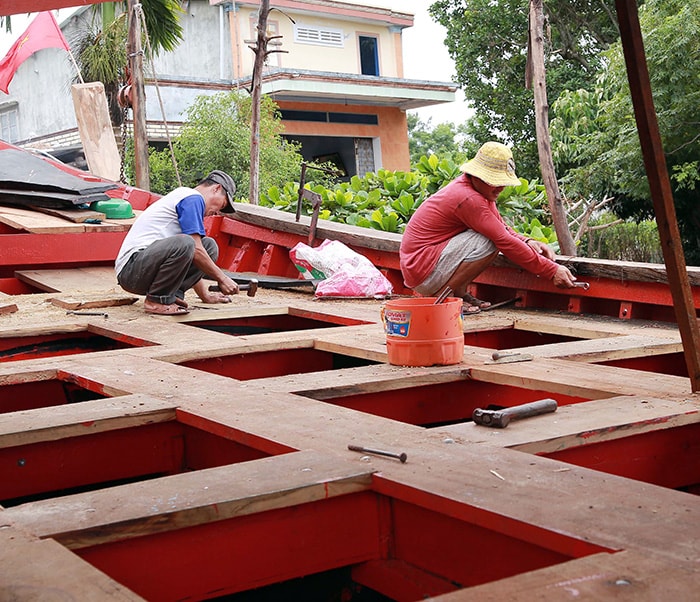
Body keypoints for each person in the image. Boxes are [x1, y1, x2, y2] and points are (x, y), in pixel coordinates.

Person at [400, 142, 577, 313]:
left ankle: (459, 293)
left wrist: (528, 241)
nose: (501, 187)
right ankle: (444, 294)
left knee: (491, 237)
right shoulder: (468, 198)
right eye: (495, 181)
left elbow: (501, 226)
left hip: (426, 266)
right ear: (478, 176)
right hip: (422, 270)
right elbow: (504, 239)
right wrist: (551, 270)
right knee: (488, 241)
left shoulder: (480, 191)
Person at [115, 170, 240, 315]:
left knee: (209, 246)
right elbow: (194, 249)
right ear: (216, 188)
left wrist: (205, 296)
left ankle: (172, 297)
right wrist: (223, 278)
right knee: (190, 244)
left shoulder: (189, 199)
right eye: (222, 204)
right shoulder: (192, 198)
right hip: (131, 270)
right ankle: (156, 301)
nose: (218, 211)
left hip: (143, 270)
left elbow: (193, 255)